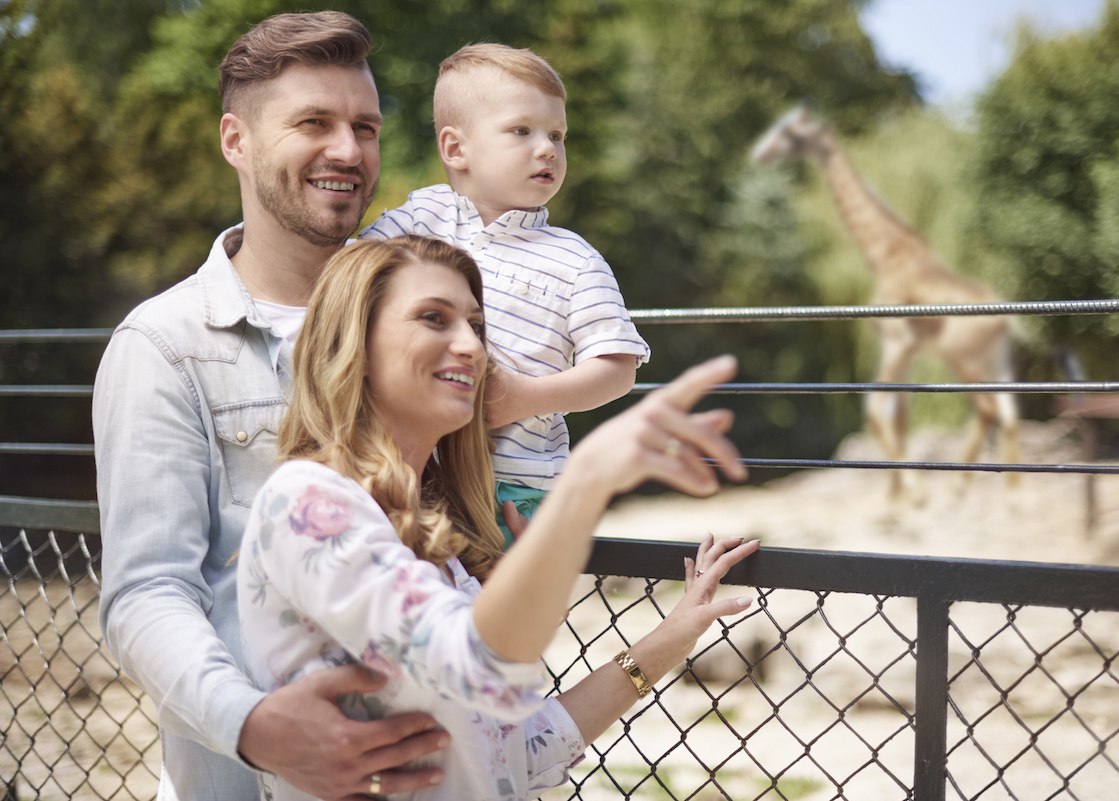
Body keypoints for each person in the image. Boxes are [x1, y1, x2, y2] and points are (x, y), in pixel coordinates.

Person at [236, 234, 759, 801]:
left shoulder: (439, 544)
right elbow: (474, 666)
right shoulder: (309, 502)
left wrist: (673, 636)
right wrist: (584, 483)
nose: (472, 346)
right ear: (353, 345)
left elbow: (515, 751)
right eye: (433, 318)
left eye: (477, 325)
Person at [93, 12, 449, 800]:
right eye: (313, 123)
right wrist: (253, 725)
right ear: (237, 140)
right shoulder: (165, 344)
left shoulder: (430, 328)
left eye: (365, 126)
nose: (348, 150)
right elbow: (146, 592)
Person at [359, 44, 650, 545]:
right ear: (456, 149)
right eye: (522, 131)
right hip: (408, 467)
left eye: (557, 135)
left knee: (497, 594)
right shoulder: (420, 218)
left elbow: (618, 369)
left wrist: (524, 398)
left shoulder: (574, 259)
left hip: (511, 487)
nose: (548, 149)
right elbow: (347, 279)